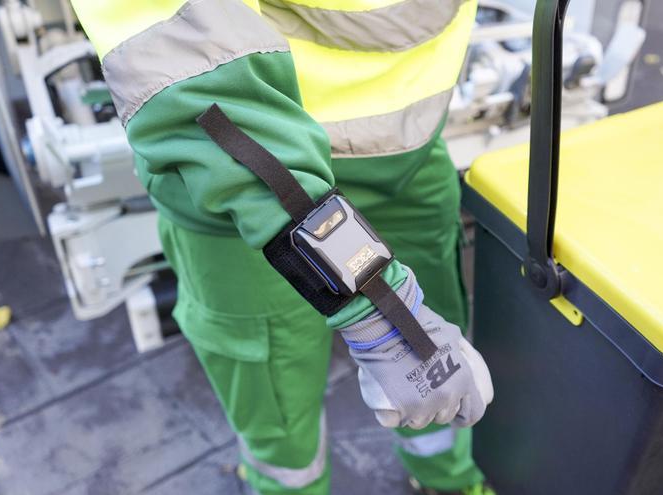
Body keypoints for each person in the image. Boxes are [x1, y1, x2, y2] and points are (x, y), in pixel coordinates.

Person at [68, 1, 495, 494]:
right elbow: (187, 59)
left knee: (444, 370)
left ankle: (447, 478)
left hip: (407, 155)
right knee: (278, 408)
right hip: (239, 187)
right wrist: (380, 313)